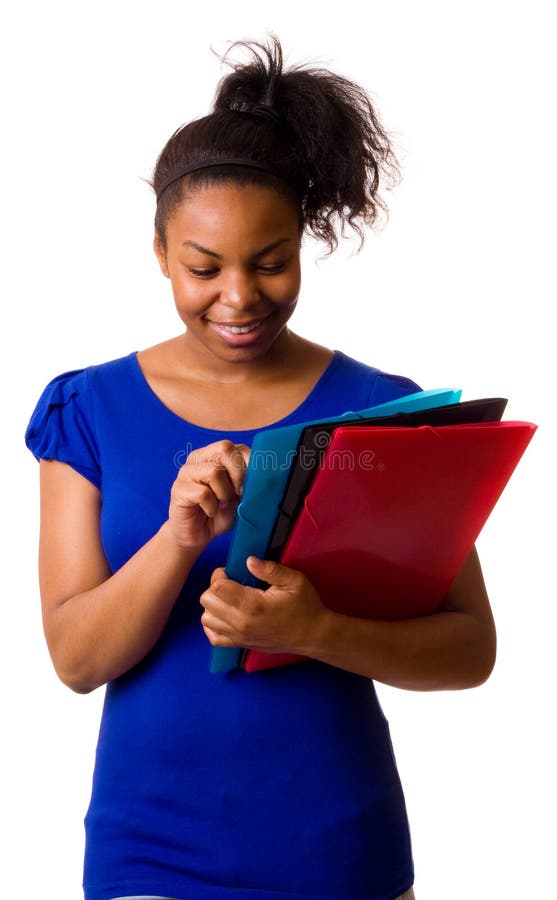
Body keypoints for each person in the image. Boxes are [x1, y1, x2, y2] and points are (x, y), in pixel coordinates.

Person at [24, 35, 496, 900]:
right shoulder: (86, 409)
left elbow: (469, 649)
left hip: (340, 847)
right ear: (161, 253)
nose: (238, 297)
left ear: (302, 248)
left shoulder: (383, 412)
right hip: (150, 852)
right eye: (203, 267)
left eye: (270, 263)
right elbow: (76, 659)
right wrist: (177, 538)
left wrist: (318, 633)